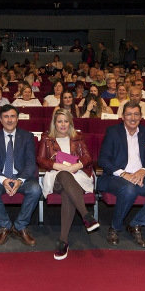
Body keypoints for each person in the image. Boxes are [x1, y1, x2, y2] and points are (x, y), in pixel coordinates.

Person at [97, 102, 145, 248]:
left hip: (140, 177)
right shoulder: (113, 132)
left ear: (141, 117)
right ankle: (115, 227)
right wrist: (124, 174)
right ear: (123, 117)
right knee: (129, 189)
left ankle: (137, 223)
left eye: (136, 114)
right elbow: (103, 159)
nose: (133, 118)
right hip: (116, 178)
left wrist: (143, 171)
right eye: (129, 114)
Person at [37, 109, 98, 260]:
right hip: (56, 176)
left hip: (77, 175)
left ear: (70, 123)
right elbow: (40, 160)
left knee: (67, 193)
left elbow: (88, 157)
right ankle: (86, 215)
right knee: (64, 175)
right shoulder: (47, 138)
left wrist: (76, 166)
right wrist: (59, 166)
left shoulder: (77, 137)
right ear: (54, 123)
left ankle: (63, 241)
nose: (63, 124)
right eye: (59, 121)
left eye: (66, 121)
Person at [0, 104, 42, 246]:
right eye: (6, 117)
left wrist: (20, 180)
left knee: (35, 189)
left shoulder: (27, 137)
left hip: (21, 177)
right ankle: (5, 225)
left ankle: (20, 226)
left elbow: (30, 163)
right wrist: (3, 179)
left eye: (12, 116)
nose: (9, 120)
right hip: (0, 177)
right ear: (0, 120)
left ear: (17, 119)